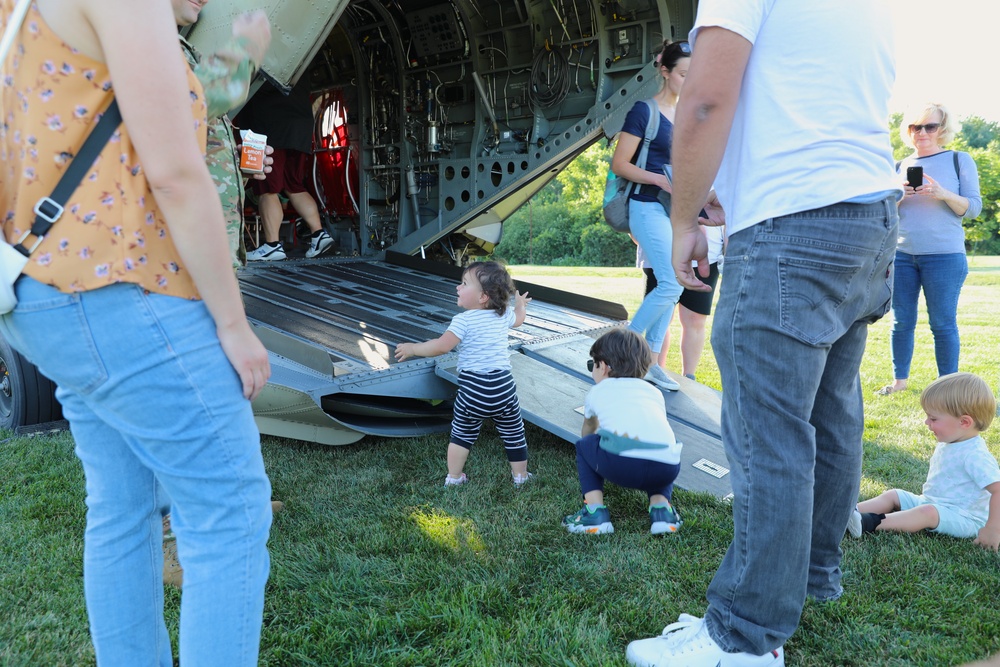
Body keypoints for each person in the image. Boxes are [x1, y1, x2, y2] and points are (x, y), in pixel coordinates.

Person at [625, 2, 901, 665]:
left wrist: (686, 214)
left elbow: (705, 101)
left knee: (768, 431)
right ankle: (813, 577)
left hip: (790, 223)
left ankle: (744, 636)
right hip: (868, 214)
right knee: (832, 414)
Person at [1, 0, 273, 664]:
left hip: (43, 292)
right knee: (229, 515)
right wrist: (233, 324)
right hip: (123, 289)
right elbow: (178, 176)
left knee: (121, 508)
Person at [394, 261, 533, 487]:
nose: (458, 287)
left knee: (462, 434)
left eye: (464, 283)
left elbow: (441, 346)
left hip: (474, 390)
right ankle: (521, 477)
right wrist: (521, 305)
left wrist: (413, 348)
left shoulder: (463, 321)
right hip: (503, 389)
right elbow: (519, 319)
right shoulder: (503, 315)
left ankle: (455, 477)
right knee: (514, 432)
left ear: (483, 297)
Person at [876, 103, 983, 396]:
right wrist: (898, 196)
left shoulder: (959, 160)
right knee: (901, 322)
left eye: (930, 126)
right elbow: (884, 213)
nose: (922, 132)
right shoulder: (898, 167)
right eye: (915, 127)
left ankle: (947, 386)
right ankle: (899, 382)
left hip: (945, 257)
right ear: (908, 131)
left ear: (942, 129)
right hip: (902, 256)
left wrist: (942, 193)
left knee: (942, 323)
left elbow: (973, 208)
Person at [610, 40, 692, 393]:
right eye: (683, 74)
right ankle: (624, 349)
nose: (689, 81)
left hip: (674, 210)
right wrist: (659, 178)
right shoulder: (644, 111)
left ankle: (653, 363)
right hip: (645, 204)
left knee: (671, 285)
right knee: (672, 283)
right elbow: (620, 163)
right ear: (665, 71)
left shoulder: (689, 115)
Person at [847, 373, 999, 550]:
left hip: (966, 518)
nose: (927, 422)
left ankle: (867, 523)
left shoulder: (975, 454)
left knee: (927, 513)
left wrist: (993, 528)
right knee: (894, 495)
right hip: (932, 502)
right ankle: (846, 514)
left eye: (933, 419)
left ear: (964, 422)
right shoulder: (953, 440)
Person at [562, 328, 683, 536]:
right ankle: (662, 510)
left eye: (593, 364)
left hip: (623, 467)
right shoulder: (654, 392)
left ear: (605, 367)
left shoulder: (597, 391)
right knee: (660, 444)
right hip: (667, 468)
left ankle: (594, 513)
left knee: (585, 446)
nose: (592, 370)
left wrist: (595, 458)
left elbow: (589, 430)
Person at [238, 79, 334, 261]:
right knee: (294, 185)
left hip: (269, 125)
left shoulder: (260, 63)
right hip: (300, 127)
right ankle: (319, 234)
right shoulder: (296, 61)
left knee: (267, 188)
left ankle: (272, 245)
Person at [638, 223, 724, 380]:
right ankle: (654, 369)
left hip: (706, 253)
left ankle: (689, 377)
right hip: (660, 250)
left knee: (695, 319)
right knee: (657, 317)